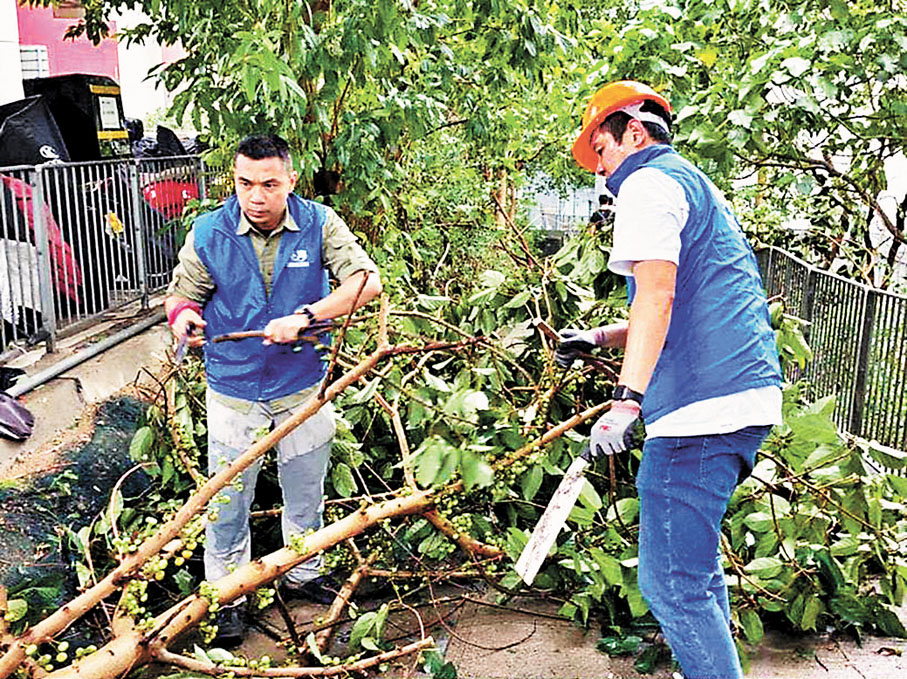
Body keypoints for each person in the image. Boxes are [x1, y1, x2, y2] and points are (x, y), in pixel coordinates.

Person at [555, 81, 782, 679]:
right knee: (696, 573)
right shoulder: (691, 182)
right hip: (738, 396)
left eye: (599, 151)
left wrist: (626, 402)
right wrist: (602, 337)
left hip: (701, 413)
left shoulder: (647, 183)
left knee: (671, 585)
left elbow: (658, 292)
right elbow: (689, 299)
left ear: (632, 131)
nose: (600, 172)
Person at [165, 134, 382, 646]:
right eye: (244, 183)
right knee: (227, 500)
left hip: (301, 384)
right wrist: (184, 318)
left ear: (289, 181)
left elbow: (366, 282)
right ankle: (227, 594)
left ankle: (303, 574)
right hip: (234, 388)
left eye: (268, 184)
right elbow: (181, 295)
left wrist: (308, 315)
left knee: (305, 489)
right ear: (233, 180)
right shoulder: (209, 231)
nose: (255, 196)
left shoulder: (320, 223)